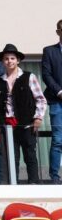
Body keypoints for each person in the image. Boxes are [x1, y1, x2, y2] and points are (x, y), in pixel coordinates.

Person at [0, 44, 47, 184]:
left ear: (17, 60)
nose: (9, 61)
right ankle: (13, 184)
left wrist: (38, 118)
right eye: (6, 59)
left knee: (30, 154)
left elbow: (40, 99)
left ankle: (33, 183)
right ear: (3, 61)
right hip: (6, 126)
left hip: (27, 123)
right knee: (12, 157)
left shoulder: (29, 77)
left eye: (12, 58)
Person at [40, 19, 62, 184]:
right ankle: (54, 176)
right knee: (58, 140)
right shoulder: (49, 51)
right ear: (57, 32)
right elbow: (46, 74)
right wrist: (59, 91)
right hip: (57, 101)